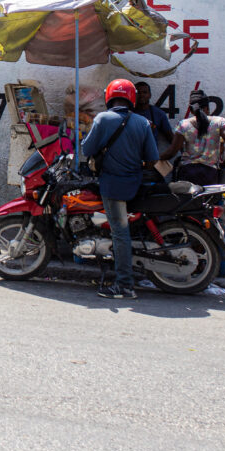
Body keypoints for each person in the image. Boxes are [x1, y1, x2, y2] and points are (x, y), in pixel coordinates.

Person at [80, 79, 159, 300]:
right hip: (135, 184)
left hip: (113, 186)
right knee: (121, 231)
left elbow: (87, 148)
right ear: (131, 98)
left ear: (110, 97)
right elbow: (152, 160)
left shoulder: (103, 119)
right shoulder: (142, 123)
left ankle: (125, 285)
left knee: (120, 233)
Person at [159, 89, 225, 186]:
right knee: (209, 200)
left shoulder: (184, 124)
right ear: (207, 108)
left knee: (188, 200)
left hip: (187, 174)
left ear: (191, 110)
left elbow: (171, 152)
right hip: (210, 175)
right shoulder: (220, 122)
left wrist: (156, 158)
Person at [132, 81, 173, 151]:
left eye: (145, 92)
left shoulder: (158, 114)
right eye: (138, 93)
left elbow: (170, 138)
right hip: (131, 155)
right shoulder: (128, 113)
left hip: (150, 156)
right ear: (133, 95)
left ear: (150, 95)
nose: (141, 95)